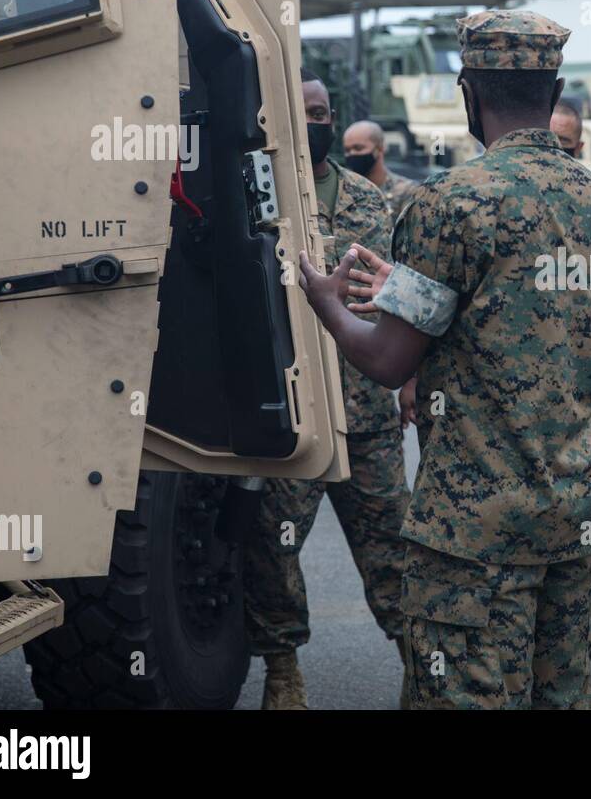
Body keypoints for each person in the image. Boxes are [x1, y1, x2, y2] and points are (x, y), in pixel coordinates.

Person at [297, 10, 591, 709]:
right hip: (573, 518)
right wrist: (419, 291)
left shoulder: (449, 204)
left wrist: (324, 300)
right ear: (556, 87)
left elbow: (387, 360)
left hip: (474, 538)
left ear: (468, 93)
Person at [243, 68, 410, 710]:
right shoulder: (258, 193)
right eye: (305, 113)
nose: (316, 123)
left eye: (323, 113)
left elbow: (402, 297)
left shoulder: (371, 201)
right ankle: (282, 671)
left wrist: (412, 384)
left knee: (395, 547)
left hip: (366, 408)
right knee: (273, 546)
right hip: (293, 411)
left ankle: (420, 667)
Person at [341, 119, 418, 222]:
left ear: (380, 148)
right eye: (347, 150)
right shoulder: (343, 191)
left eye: (358, 148)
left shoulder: (407, 191)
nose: (352, 154)